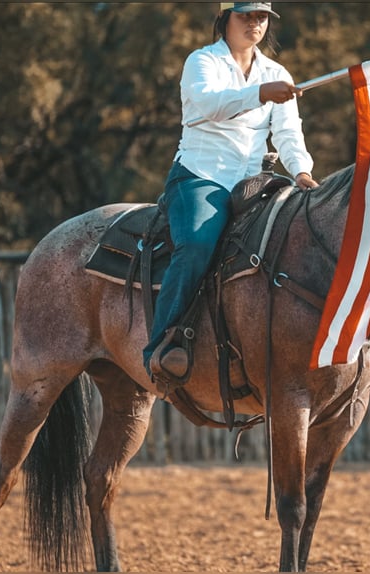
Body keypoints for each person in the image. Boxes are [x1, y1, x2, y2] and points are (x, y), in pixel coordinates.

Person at [143, 2, 319, 380]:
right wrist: (260, 94)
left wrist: (302, 171)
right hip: (200, 177)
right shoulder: (201, 63)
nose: (255, 23)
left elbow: (288, 133)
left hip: (253, 182)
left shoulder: (277, 72)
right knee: (196, 246)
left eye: (261, 17)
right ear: (225, 17)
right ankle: (161, 346)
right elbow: (210, 105)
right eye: (246, 15)